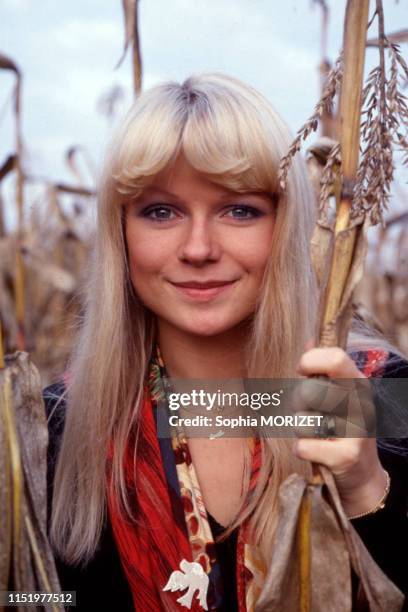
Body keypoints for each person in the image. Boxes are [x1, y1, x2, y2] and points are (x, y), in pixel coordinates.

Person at [45, 73, 408, 611]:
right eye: (160, 211)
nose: (198, 248)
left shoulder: (380, 395)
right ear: (120, 233)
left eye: (240, 210)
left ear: (286, 228)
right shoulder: (58, 426)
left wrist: (365, 492)